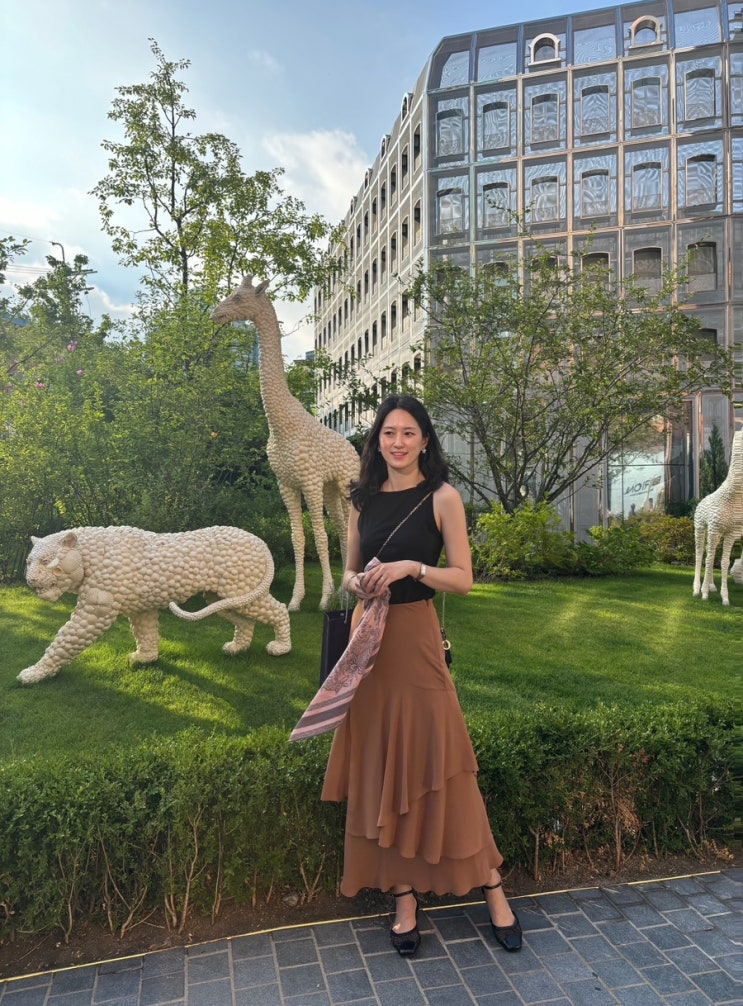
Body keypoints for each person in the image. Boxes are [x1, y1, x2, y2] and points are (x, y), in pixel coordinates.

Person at [321, 395, 522, 957]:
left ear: (425, 440)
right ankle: (404, 898)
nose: (398, 442)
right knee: (382, 764)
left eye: (409, 432)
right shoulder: (362, 500)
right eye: (389, 432)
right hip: (369, 643)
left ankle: (492, 886)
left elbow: (464, 579)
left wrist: (412, 567)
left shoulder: (443, 498)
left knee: (444, 764)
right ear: (377, 441)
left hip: (416, 640)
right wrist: (358, 583)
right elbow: (349, 571)